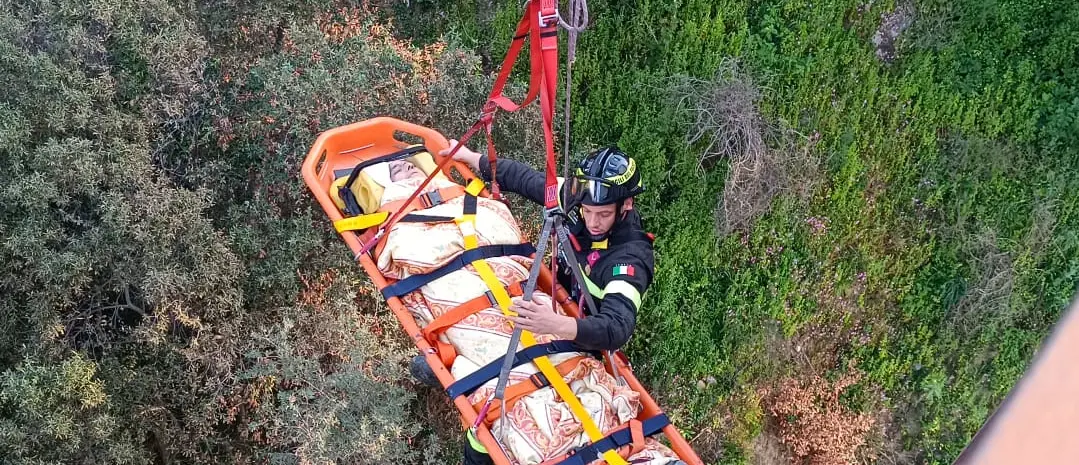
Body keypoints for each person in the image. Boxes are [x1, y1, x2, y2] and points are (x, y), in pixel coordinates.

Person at [403, 142, 655, 465]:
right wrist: (470, 158)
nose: (592, 222)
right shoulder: (582, 199)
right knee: (481, 356)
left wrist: (557, 324)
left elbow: (616, 327)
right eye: (588, 212)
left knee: (502, 415)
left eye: (603, 215)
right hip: (546, 308)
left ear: (626, 206)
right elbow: (526, 179)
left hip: (580, 341)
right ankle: (454, 369)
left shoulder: (629, 259)